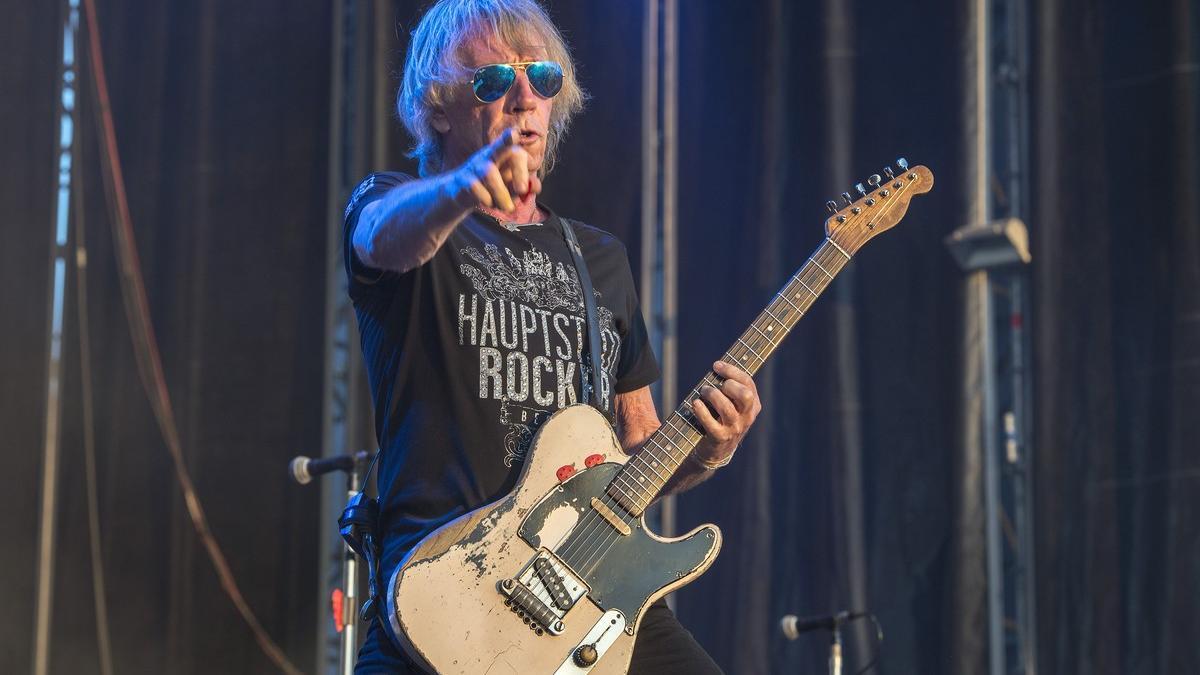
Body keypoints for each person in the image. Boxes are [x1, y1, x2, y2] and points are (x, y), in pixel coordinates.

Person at [344, 1, 761, 672]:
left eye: (541, 77)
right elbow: (382, 239)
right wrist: (462, 190)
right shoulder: (401, 209)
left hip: (583, 593)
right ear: (438, 107)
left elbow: (635, 448)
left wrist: (708, 450)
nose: (522, 97)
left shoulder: (599, 257)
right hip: (443, 592)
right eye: (490, 82)